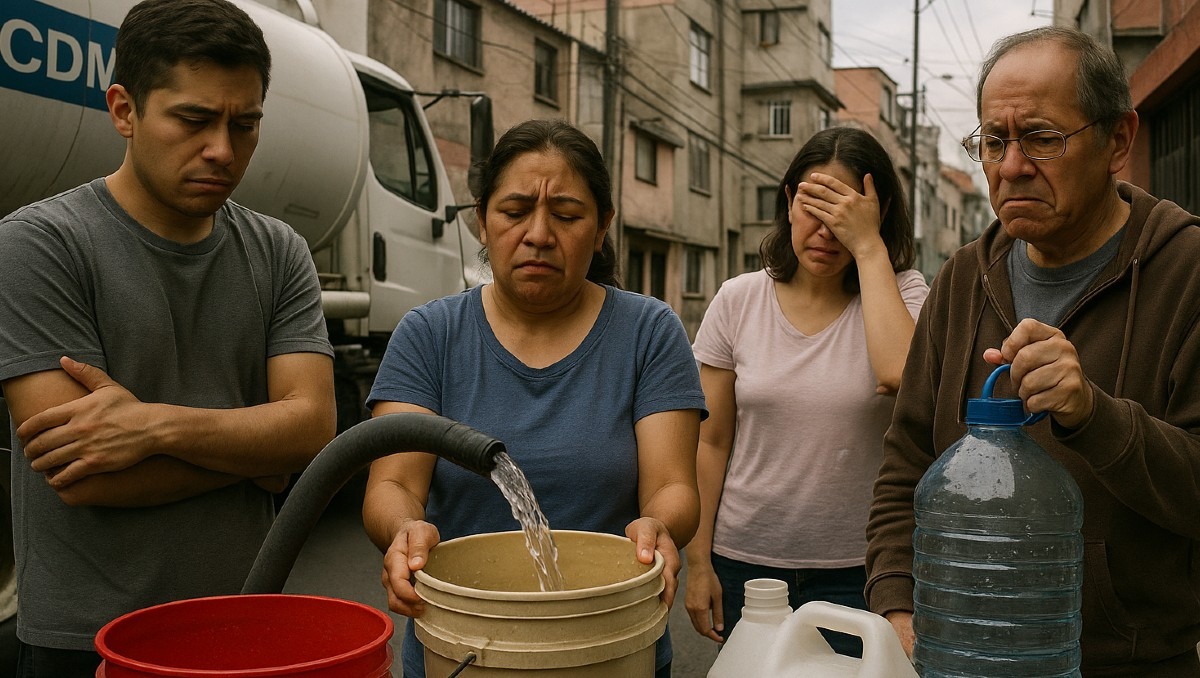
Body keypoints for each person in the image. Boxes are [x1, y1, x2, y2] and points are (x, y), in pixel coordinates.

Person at [0, 1, 336, 675]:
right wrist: (257, 458)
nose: (222, 148)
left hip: (241, 627)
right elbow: (83, 475)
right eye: (193, 119)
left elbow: (313, 430)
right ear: (124, 110)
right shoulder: (38, 245)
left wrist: (149, 427)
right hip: (86, 638)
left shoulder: (278, 251)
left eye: (245, 124)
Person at [865, 26, 1200, 676]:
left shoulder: (1185, 272)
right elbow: (907, 461)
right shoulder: (964, 278)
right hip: (963, 657)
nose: (1011, 166)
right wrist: (897, 604)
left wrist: (1094, 417)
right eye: (994, 141)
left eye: (1042, 138)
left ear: (1118, 141)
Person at [361, 118, 706, 677]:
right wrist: (405, 530)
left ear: (601, 229)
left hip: (611, 644)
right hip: (463, 644)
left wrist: (659, 525)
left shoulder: (648, 331)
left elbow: (671, 484)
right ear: (482, 219)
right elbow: (394, 484)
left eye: (567, 216)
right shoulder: (430, 334)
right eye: (515, 211)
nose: (539, 234)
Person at [684, 126, 929, 657]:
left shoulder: (903, 292)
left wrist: (868, 246)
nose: (825, 231)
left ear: (876, 212)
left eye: (843, 213)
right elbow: (710, 442)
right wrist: (699, 562)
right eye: (813, 206)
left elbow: (901, 375)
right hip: (747, 564)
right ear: (789, 201)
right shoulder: (737, 300)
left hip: (861, 570)